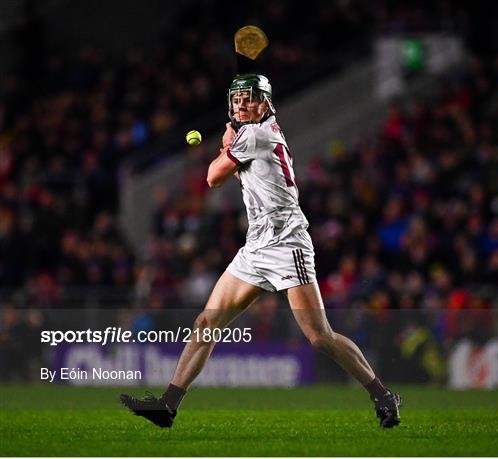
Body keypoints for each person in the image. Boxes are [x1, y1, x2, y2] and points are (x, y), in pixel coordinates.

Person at [120, 74, 402, 429]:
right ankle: (168, 405)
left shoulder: (252, 135)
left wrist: (225, 147)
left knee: (319, 336)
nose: (241, 105)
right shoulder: (261, 133)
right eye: (237, 99)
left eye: (249, 99)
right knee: (207, 323)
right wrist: (230, 148)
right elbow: (248, 177)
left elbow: (211, 178)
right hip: (257, 245)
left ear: (266, 103)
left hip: (286, 244)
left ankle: (382, 394)